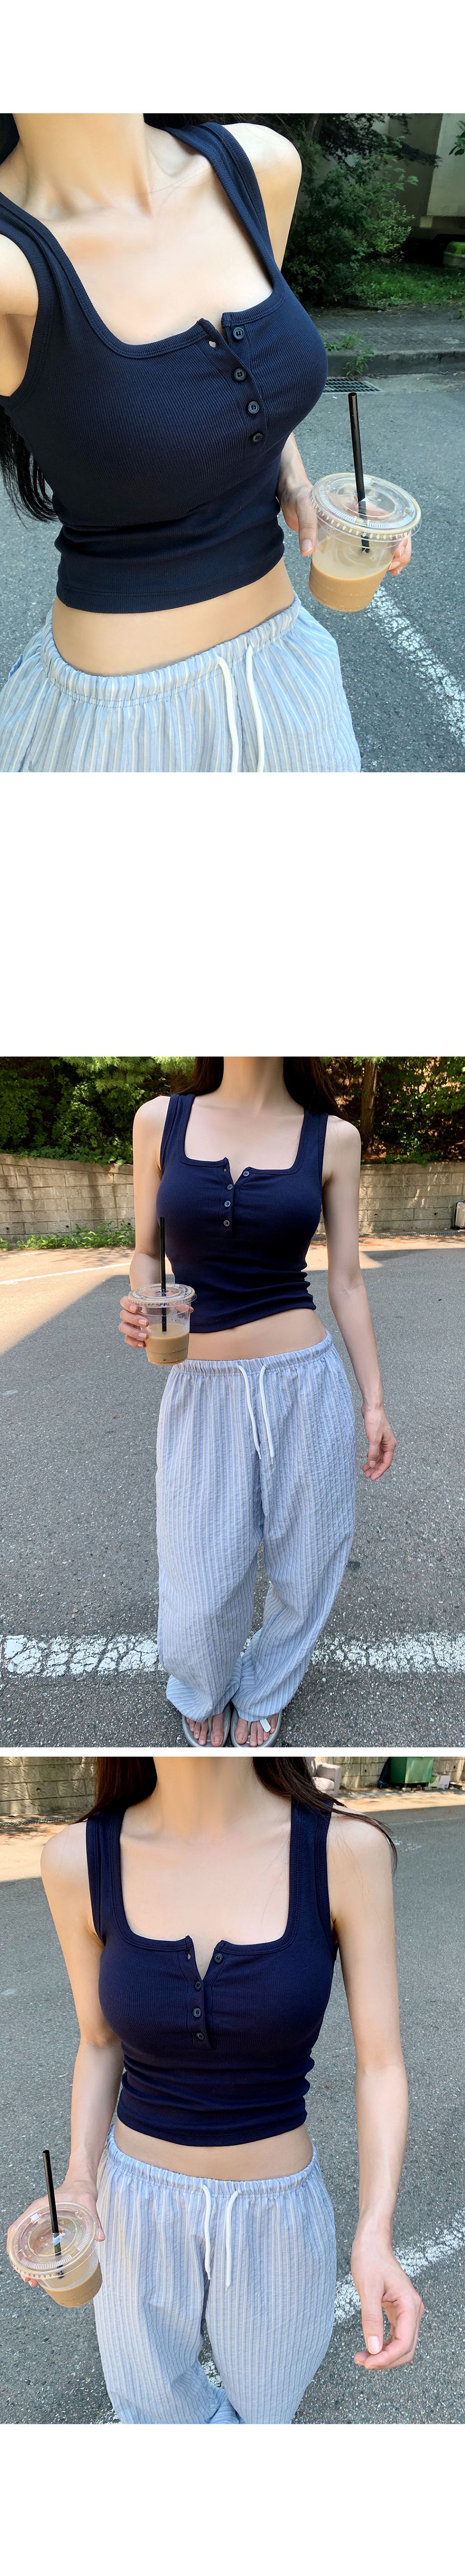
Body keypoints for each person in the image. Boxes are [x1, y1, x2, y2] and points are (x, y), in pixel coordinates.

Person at [7, 1756, 424, 2425]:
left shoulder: (344, 1851)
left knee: (265, 2419)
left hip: (278, 2217)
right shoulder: (77, 1859)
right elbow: (99, 2041)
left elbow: (381, 2064)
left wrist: (376, 2230)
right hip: (132, 2209)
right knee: (153, 2420)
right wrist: (81, 2176)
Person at [0, 115, 410, 773]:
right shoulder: (12, 263)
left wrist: (295, 480)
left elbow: (234, 390)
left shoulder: (258, 167)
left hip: (292, 687)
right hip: (117, 730)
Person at [119, 1056, 396, 1747]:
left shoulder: (333, 1138)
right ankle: (203, 1684)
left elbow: (346, 1281)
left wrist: (373, 1402)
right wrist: (141, 1300)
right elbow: (147, 1251)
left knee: (309, 1557)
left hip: (305, 1381)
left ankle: (269, 1684)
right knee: (199, 1568)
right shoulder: (159, 1121)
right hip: (200, 1384)